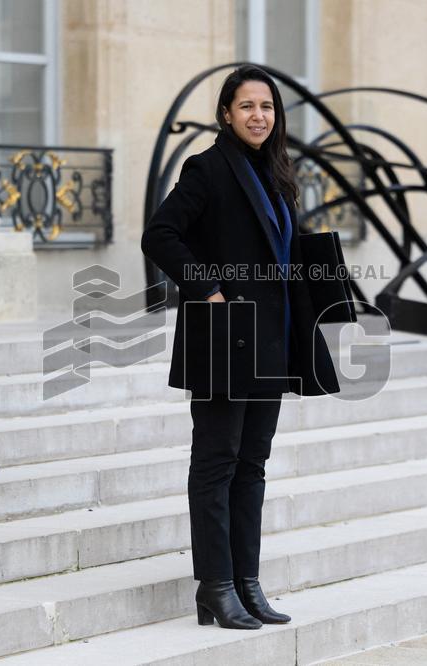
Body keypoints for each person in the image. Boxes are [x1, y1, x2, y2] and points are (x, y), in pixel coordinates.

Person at [141, 64, 340, 630]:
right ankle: (216, 587)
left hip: (272, 338)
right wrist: (206, 287)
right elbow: (159, 234)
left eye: (268, 107)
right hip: (226, 337)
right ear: (226, 113)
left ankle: (248, 583)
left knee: (252, 464)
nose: (259, 116)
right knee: (216, 462)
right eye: (248, 106)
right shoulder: (206, 169)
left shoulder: (277, 173)